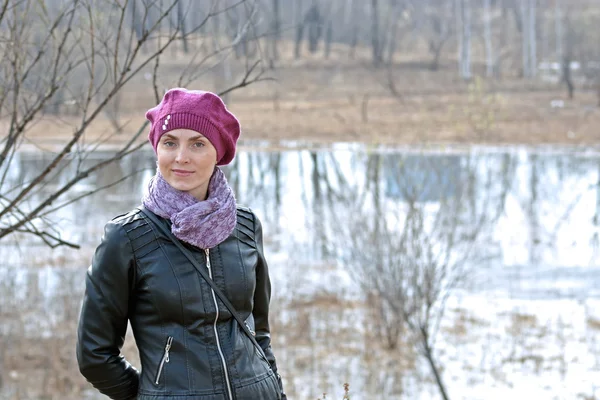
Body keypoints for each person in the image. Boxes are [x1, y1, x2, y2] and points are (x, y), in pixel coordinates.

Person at [76, 88, 286, 400]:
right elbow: (94, 355)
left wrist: (273, 388)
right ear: (156, 149)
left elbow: (259, 330)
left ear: (218, 152)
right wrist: (154, 395)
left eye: (198, 144)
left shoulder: (245, 226)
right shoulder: (126, 237)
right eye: (170, 143)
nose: (181, 157)